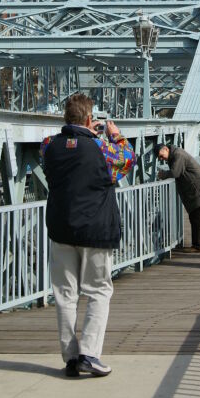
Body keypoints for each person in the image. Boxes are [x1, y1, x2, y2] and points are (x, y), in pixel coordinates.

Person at [40, 93, 135, 378]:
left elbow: (64, 154)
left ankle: (70, 357)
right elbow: (127, 160)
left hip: (61, 228)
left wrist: (86, 136)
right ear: (89, 119)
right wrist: (116, 137)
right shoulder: (103, 149)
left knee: (65, 295)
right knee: (98, 291)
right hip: (96, 230)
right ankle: (90, 354)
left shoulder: (48, 147)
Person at [155, 143, 200, 252]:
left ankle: (199, 246)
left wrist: (163, 174)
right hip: (197, 190)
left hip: (198, 191)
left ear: (166, 149)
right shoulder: (175, 154)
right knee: (196, 218)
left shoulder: (178, 154)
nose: (161, 159)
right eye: (159, 158)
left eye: (161, 156)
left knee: (197, 219)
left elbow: (175, 172)